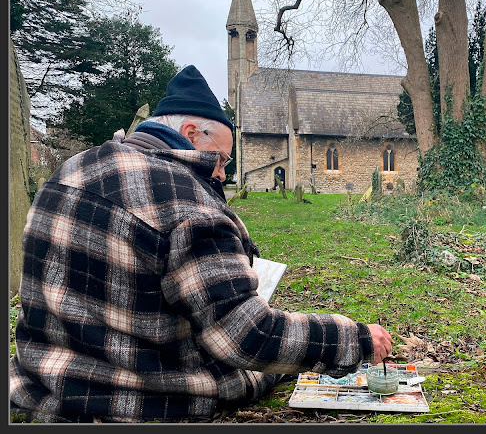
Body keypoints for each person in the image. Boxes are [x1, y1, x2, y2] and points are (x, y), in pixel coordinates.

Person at [10, 65, 392, 423]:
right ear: (192, 134)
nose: (223, 174)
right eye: (222, 159)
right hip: (136, 400)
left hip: (43, 387)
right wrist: (354, 338)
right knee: (259, 369)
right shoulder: (184, 200)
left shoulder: (71, 169)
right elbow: (247, 336)